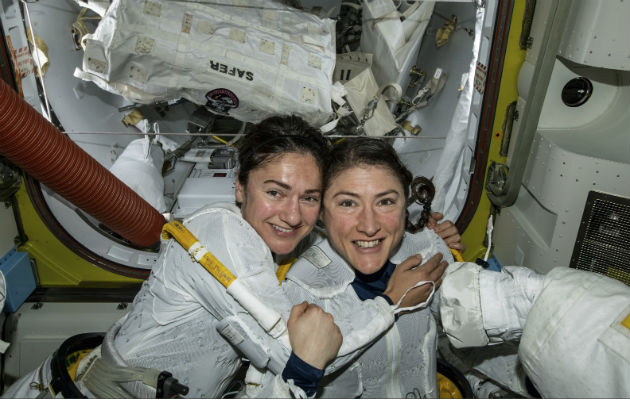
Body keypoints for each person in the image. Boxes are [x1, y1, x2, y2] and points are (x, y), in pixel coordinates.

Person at [2, 116, 449, 398]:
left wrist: (413, 226)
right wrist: (389, 302)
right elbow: (295, 353)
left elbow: (335, 227)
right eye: (275, 192)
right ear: (239, 187)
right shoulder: (218, 234)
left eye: (309, 197)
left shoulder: (281, 234)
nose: (293, 214)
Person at [244, 136, 455, 398]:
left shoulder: (428, 250)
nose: (369, 225)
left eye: (385, 201)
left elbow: (464, 328)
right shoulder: (299, 292)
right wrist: (390, 304)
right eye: (347, 203)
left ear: (405, 205)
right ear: (321, 211)